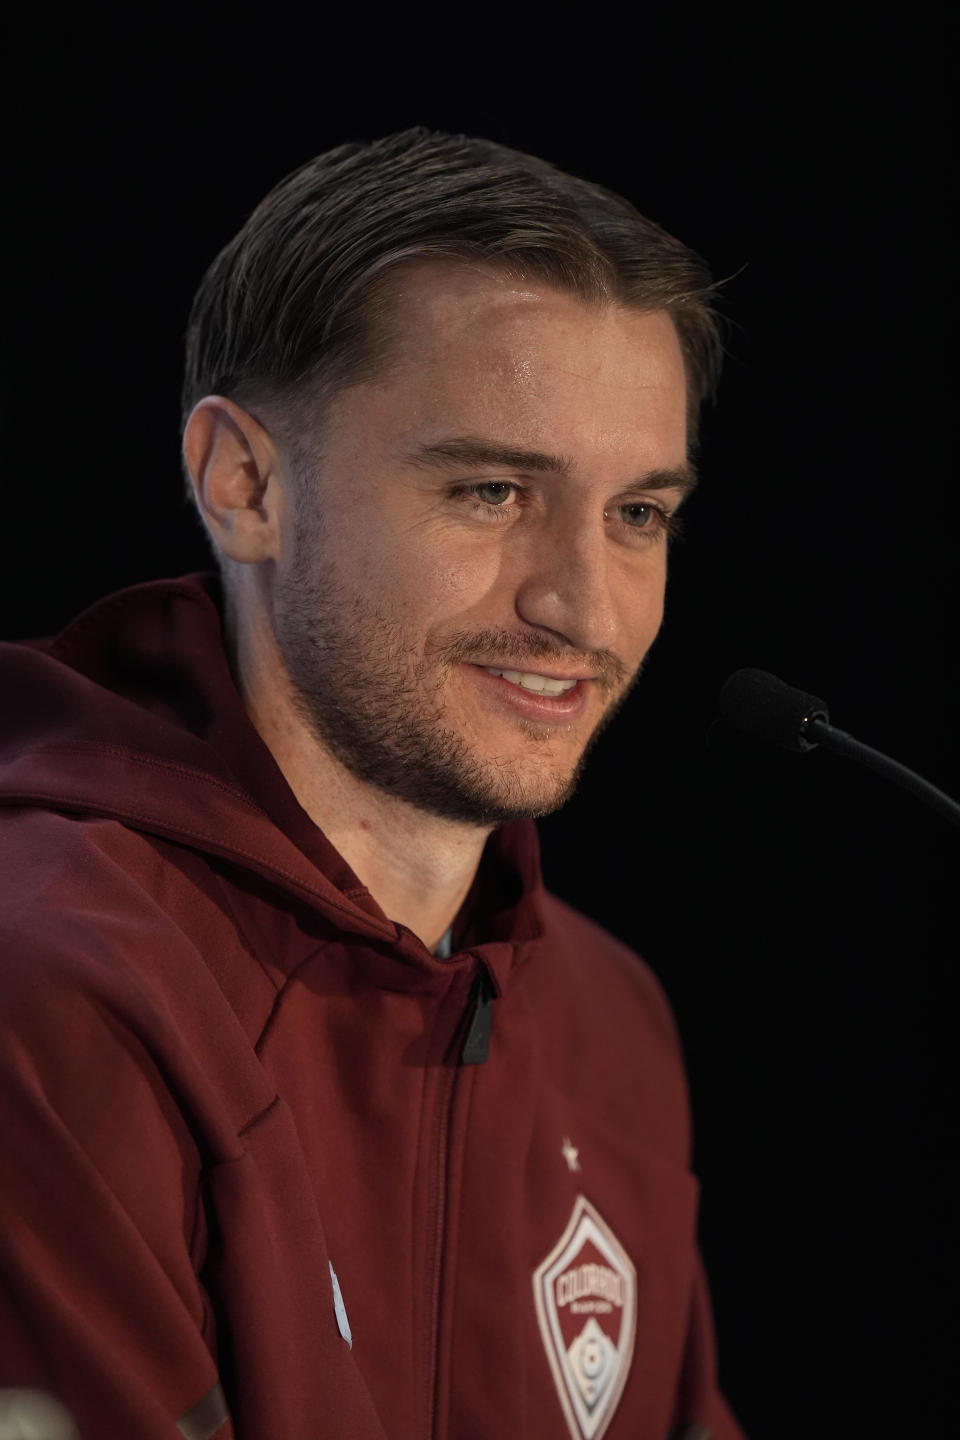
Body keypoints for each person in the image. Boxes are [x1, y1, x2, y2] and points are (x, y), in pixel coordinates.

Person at [0, 127, 744, 1440]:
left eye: (640, 516)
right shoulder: (53, 979)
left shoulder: (611, 1024)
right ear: (245, 486)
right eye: (491, 489)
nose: (583, 605)